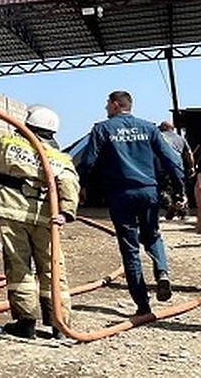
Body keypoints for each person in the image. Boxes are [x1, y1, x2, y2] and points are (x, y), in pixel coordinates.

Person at [0, 96, 79, 339]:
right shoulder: (61, 158)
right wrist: (65, 213)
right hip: (47, 217)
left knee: (19, 266)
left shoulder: (8, 143)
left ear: (28, 125)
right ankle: (59, 324)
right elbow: (69, 186)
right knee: (53, 269)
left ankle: (26, 322)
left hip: (11, 211)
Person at [75, 91, 185, 316]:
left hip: (120, 194)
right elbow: (172, 160)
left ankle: (142, 305)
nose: (106, 107)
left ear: (116, 105)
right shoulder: (149, 128)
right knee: (153, 235)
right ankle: (162, 272)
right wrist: (179, 191)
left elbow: (87, 161)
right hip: (148, 191)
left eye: (107, 104)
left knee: (130, 248)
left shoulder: (103, 129)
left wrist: (81, 186)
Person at [157, 121, 190, 219]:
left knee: (161, 189)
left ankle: (170, 206)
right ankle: (182, 210)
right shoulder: (181, 139)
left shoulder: (160, 136)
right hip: (178, 167)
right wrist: (191, 167)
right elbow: (189, 154)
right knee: (179, 190)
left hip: (161, 167)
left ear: (164, 127)